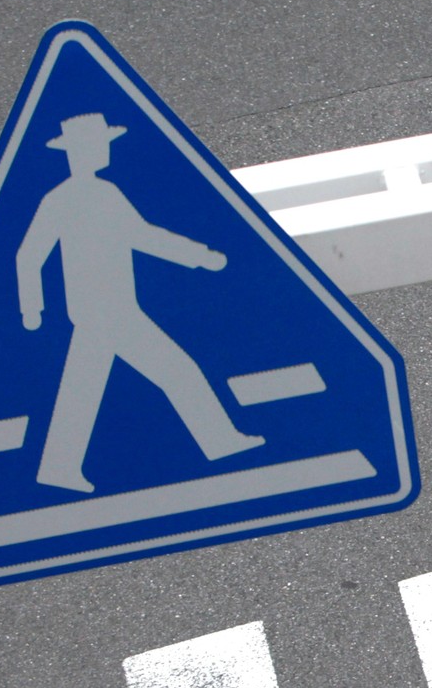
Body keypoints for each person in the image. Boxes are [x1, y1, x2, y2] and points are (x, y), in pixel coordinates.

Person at [17, 112, 263, 493]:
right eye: (99, 144)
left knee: (84, 390)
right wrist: (31, 309)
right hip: (106, 313)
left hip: (109, 310)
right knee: (178, 371)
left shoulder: (102, 193)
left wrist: (198, 255)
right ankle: (221, 442)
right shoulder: (63, 200)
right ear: (82, 151)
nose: (104, 150)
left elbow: (141, 236)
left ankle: (58, 468)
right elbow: (28, 255)